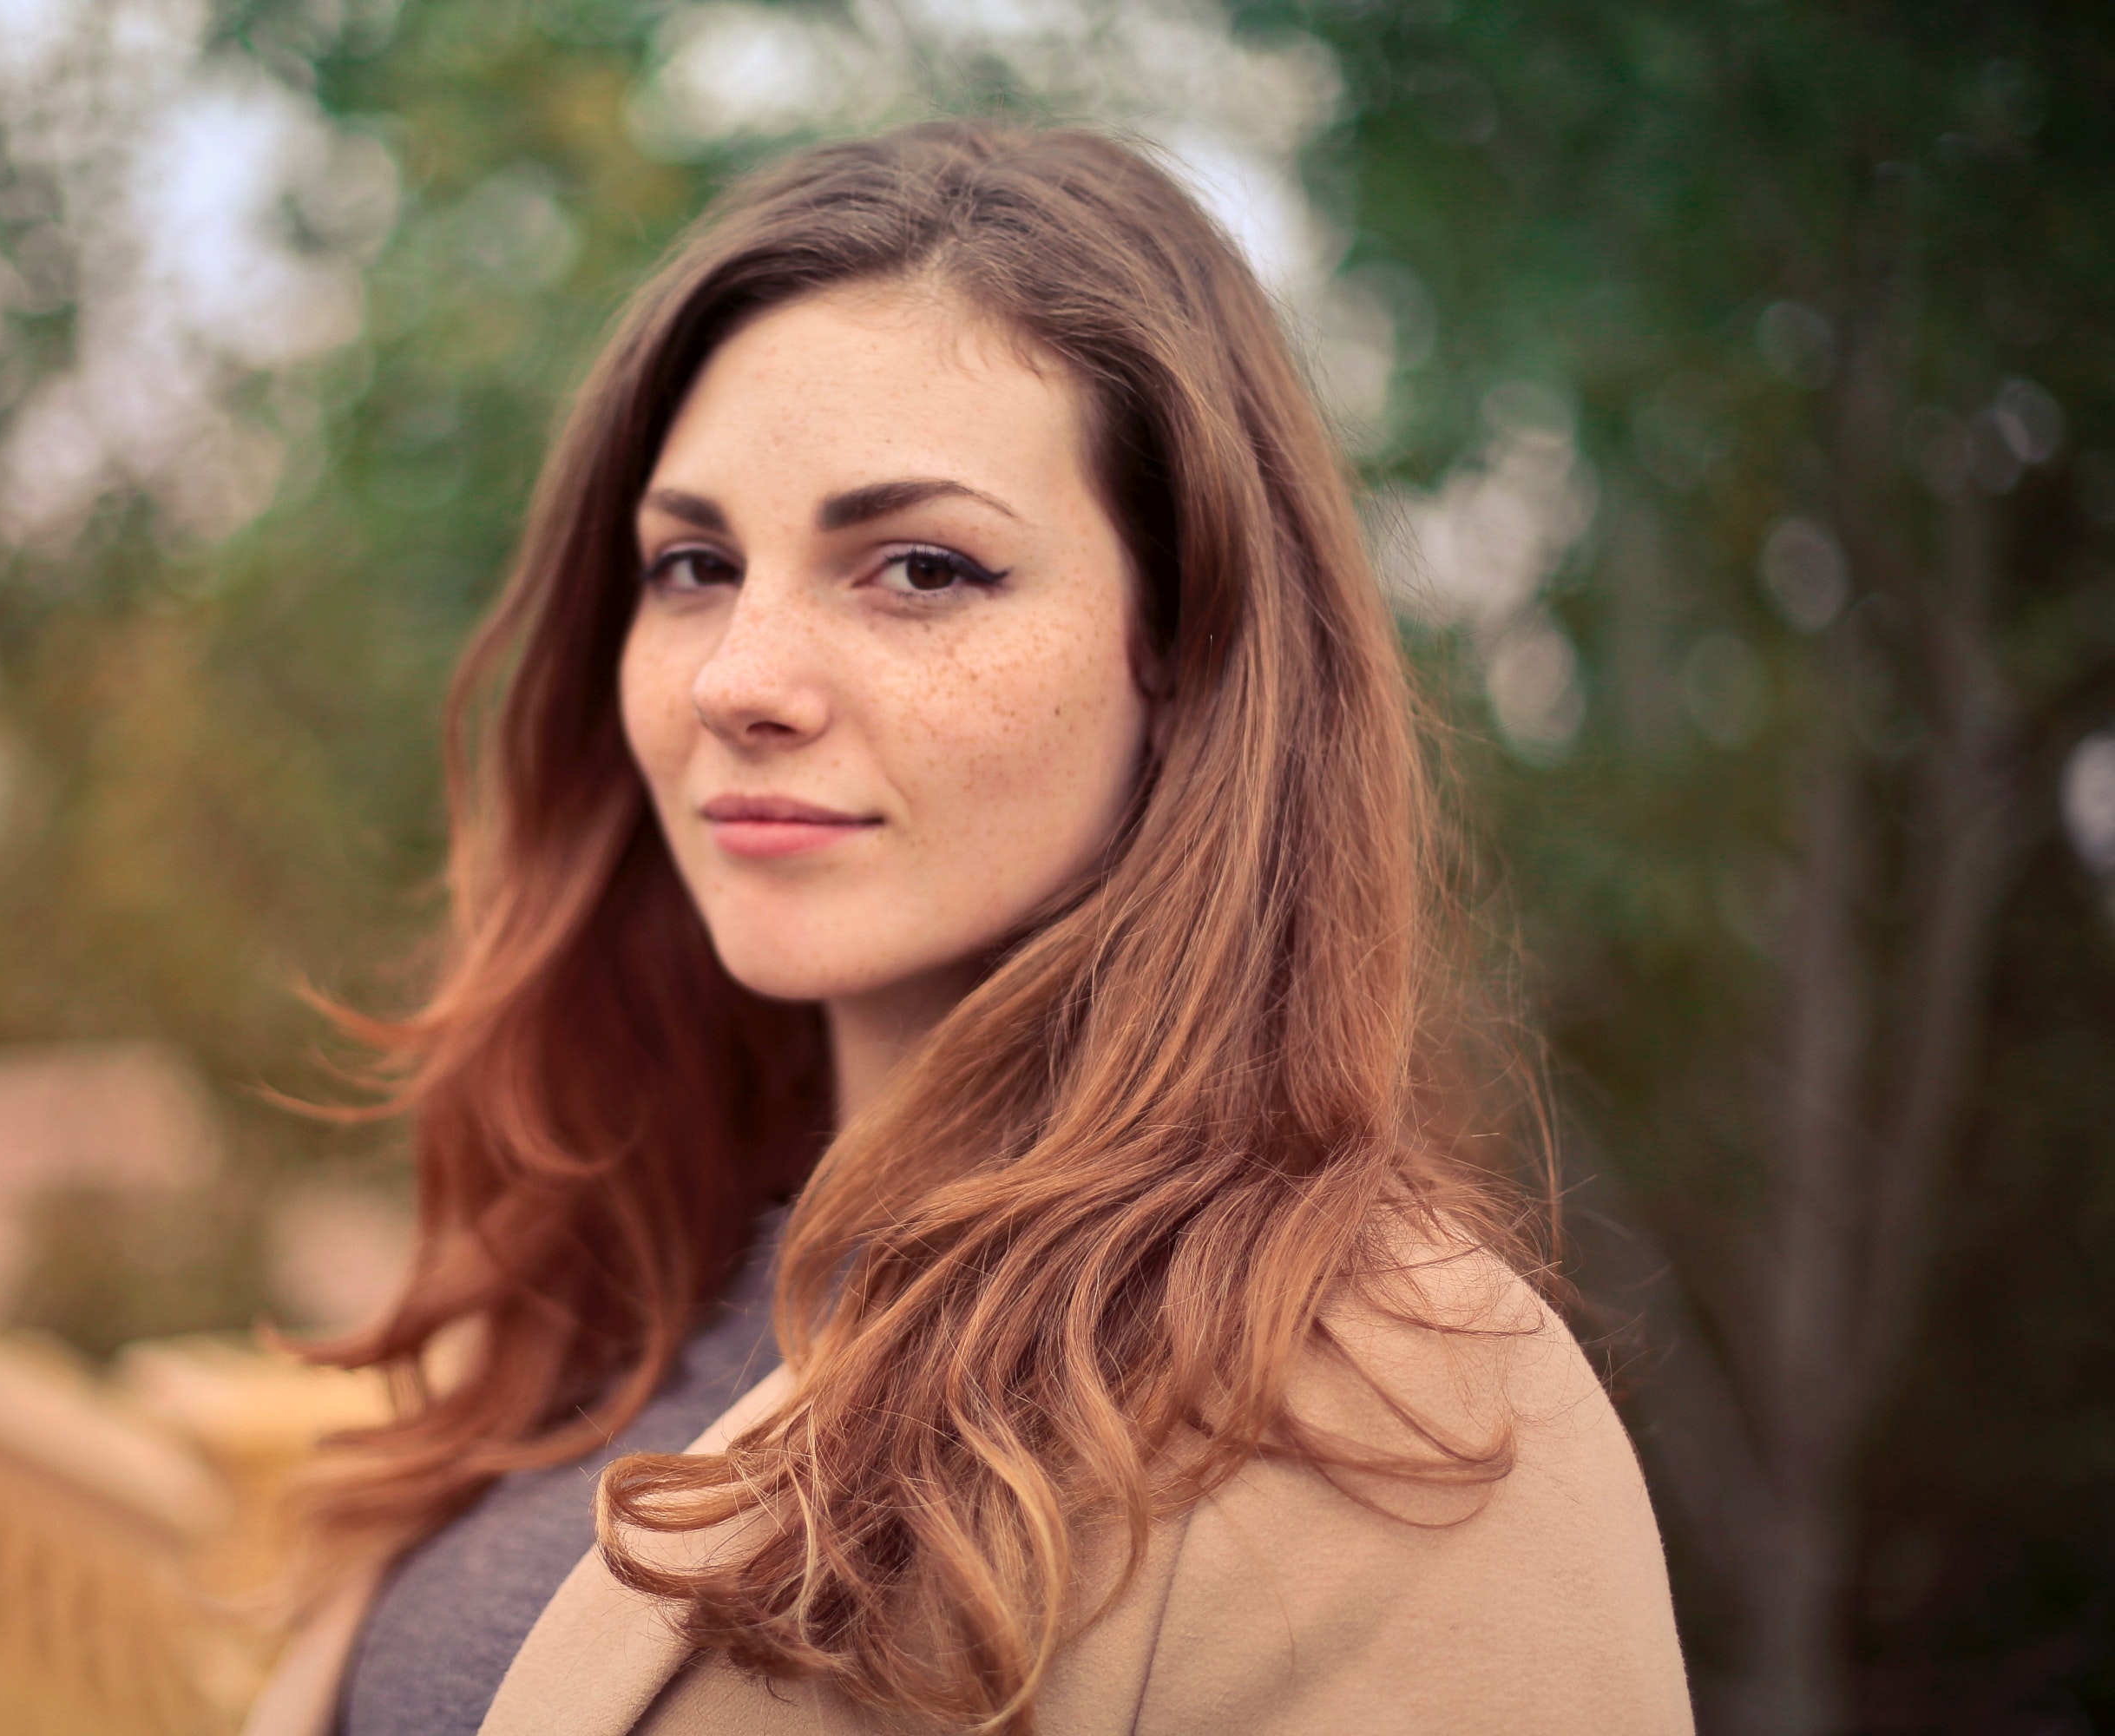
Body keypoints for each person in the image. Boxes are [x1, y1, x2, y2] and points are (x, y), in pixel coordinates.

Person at [245, 121, 1692, 1736]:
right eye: (695, 565)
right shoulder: (615, 1277)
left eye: (921, 568)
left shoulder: (1388, 1406)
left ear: (1185, 646)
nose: (740, 679)